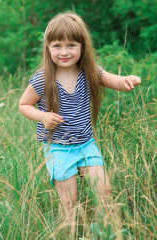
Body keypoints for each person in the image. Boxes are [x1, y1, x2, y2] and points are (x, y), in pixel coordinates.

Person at [19, 12, 141, 230]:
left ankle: (108, 232)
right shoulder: (42, 79)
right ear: (48, 47)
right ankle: (71, 232)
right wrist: (44, 116)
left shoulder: (89, 72)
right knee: (70, 203)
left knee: (104, 192)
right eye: (57, 45)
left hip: (86, 145)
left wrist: (127, 81)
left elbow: (116, 81)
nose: (64, 52)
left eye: (71, 45)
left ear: (83, 46)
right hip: (58, 149)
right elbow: (24, 105)